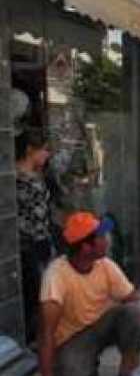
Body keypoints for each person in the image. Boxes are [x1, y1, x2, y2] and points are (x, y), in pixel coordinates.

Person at [29, 212, 140, 376]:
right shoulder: (56, 276)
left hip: (102, 324)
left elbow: (131, 297)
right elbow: (46, 334)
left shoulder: (105, 265)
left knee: (136, 313)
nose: (107, 240)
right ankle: (84, 365)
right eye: (101, 237)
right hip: (73, 337)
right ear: (86, 247)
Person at [15, 130, 54, 345]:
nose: (47, 155)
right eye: (44, 150)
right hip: (28, 241)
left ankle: (40, 336)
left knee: (44, 289)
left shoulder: (39, 175)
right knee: (32, 290)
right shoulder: (16, 177)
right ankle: (31, 338)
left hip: (42, 238)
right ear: (30, 150)